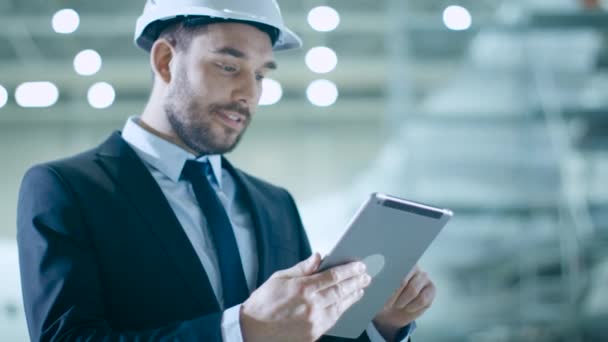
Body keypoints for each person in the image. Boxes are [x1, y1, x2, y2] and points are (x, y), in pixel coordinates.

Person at [16, 0, 436, 341]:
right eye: (229, 67)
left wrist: (383, 324)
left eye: (260, 75)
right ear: (165, 61)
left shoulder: (274, 204)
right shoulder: (68, 189)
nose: (249, 94)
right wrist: (241, 331)